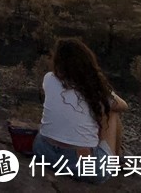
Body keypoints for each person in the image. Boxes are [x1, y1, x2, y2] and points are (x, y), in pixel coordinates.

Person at [32, 38, 128, 182]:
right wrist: (102, 90)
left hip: (43, 152)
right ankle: (114, 158)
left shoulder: (49, 78)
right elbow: (123, 105)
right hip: (82, 165)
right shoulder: (94, 88)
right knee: (111, 112)